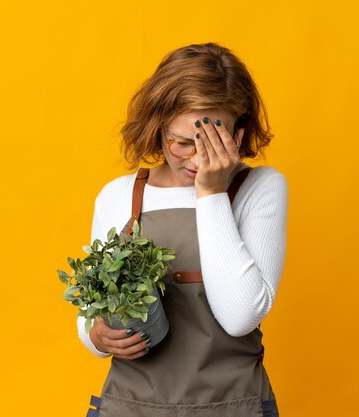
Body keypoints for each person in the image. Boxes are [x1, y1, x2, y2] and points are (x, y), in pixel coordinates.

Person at [77, 42, 288, 417]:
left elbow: (240, 317)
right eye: (182, 143)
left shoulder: (261, 188)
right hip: (129, 407)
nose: (195, 159)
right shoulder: (119, 195)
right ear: (157, 130)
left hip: (233, 406)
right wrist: (96, 335)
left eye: (212, 143)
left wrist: (211, 192)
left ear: (237, 136)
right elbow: (92, 312)